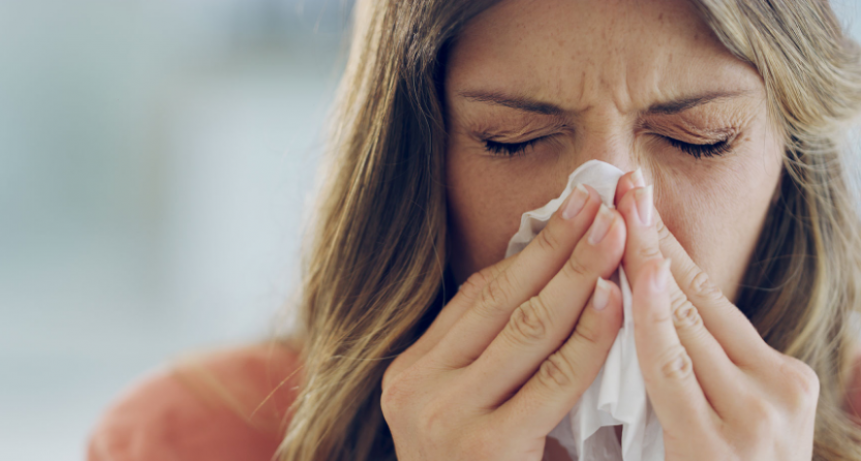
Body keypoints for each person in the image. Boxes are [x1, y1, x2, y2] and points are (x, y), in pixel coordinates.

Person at [87, 0, 861, 460]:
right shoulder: (191, 437)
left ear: (790, 157)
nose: (612, 226)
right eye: (511, 141)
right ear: (414, 160)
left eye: (700, 139)